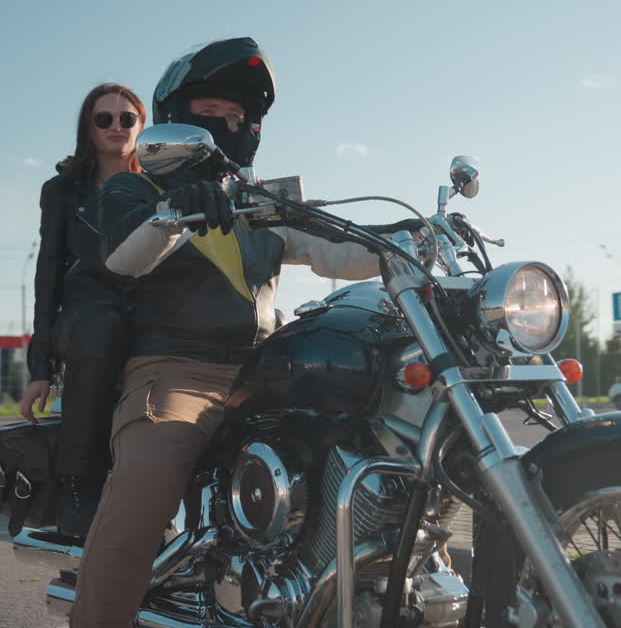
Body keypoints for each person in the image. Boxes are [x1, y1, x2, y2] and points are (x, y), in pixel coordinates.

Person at [69, 38, 386, 627]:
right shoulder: (136, 189)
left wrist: (407, 240)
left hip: (268, 372)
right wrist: (174, 215)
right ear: (179, 121)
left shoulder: (264, 201)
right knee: (145, 484)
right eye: (212, 115)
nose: (229, 126)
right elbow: (122, 258)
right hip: (177, 371)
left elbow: (335, 250)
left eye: (240, 117)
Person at [19, 82, 145, 538]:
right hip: (87, 313)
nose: (116, 126)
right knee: (101, 324)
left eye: (126, 118)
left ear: (141, 126)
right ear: (88, 129)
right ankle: (76, 489)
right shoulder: (63, 190)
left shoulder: (158, 185)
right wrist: (41, 368)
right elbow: (47, 276)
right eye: (104, 118)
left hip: (146, 311)